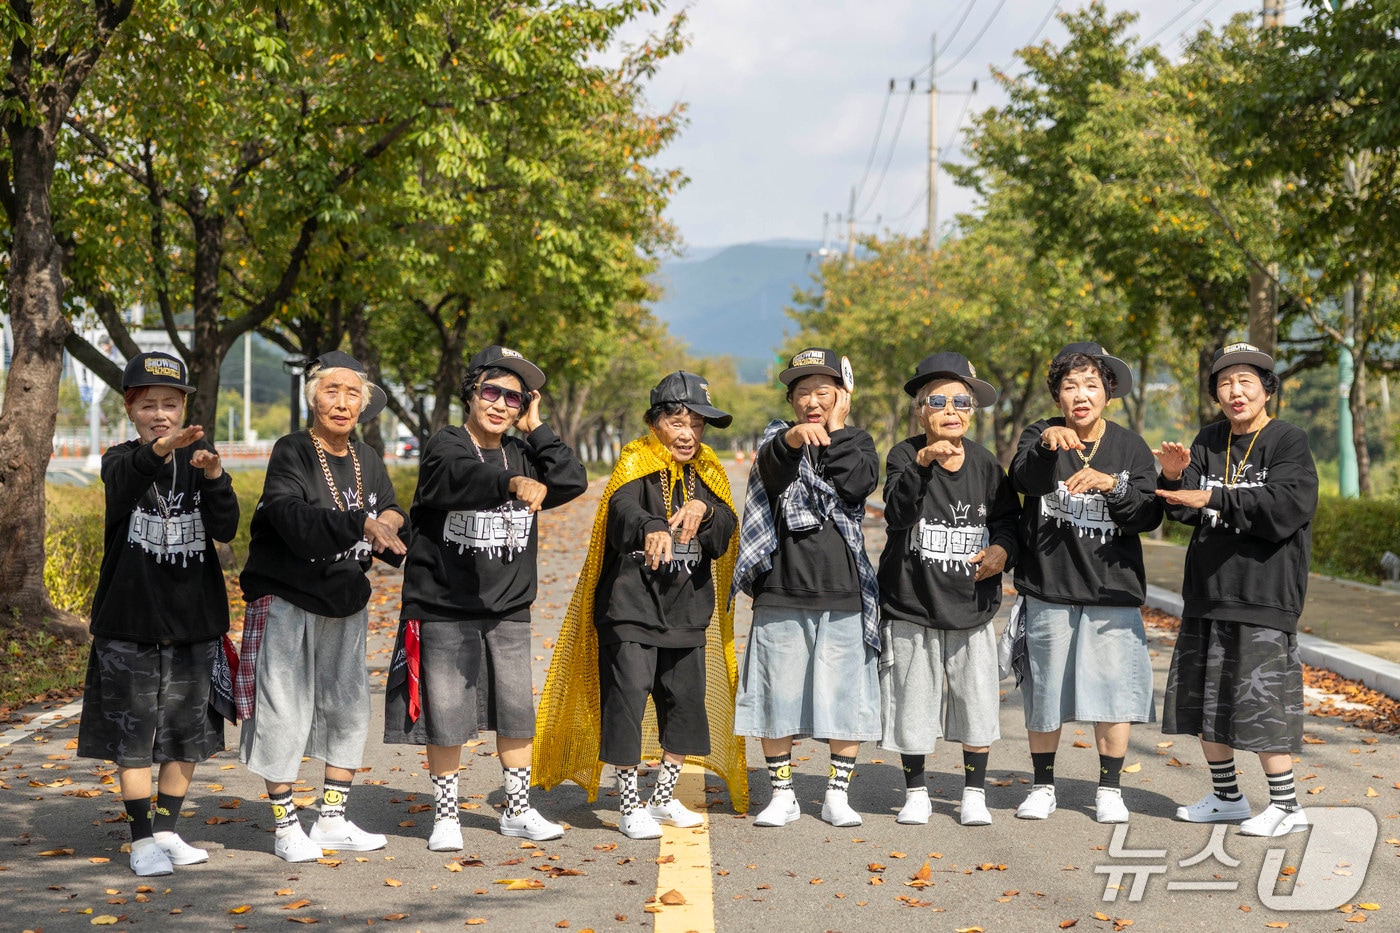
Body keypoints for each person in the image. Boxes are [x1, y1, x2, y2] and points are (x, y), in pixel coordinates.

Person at [385, 346, 587, 850]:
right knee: (448, 712)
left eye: (514, 399)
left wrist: (538, 429)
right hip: (444, 604)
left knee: (517, 710)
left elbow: (570, 479)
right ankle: (447, 816)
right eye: (491, 392)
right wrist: (511, 481)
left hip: (509, 606)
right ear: (472, 394)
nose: (500, 404)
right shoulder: (446, 444)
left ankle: (517, 810)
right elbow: (458, 477)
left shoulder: (524, 450)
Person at [533, 372, 747, 836]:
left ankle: (663, 798)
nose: (688, 433)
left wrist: (705, 511)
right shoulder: (633, 463)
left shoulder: (707, 473)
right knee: (626, 704)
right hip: (629, 611)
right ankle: (630, 805)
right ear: (655, 423)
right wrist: (651, 524)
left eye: (697, 423)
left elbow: (727, 527)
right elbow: (621, 510)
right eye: (677, 421)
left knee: (686, 706)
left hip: (687, 614)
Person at [237, 351, 409, 862]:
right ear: (314, 397)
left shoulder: (368, 458)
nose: (342, 402)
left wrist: (392, 522)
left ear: (363, 405)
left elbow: (391, 505)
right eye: (332, 391)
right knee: (283, 711)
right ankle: (286, 824)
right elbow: (288, 514)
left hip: (344, 600)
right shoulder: (291, 451)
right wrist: (361, 523)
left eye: (352, 393)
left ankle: (332, 817)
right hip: (288, 596)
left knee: (347, 710)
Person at [78, 352, 239, 877]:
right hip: (130, 625)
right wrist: (160, 450)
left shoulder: (201, 461)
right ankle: (141, 838)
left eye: (171, 404)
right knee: (135, 734)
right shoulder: (118, 460)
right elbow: (128, 477)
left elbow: (227, 527)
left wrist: (215, 476)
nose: (161, 414)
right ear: (131, 409)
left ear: (185, 406)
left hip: (195, 623)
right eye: (149, 405)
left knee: (187, 732)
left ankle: (168, 829)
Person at [1155, 343, 1318, 837]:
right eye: (1225, 383)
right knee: (1206, 702)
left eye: (1247, 380)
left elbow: (1287, 506)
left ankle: (1287, 805)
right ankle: (1227, 797)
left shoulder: (1288, 441)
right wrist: (1172, 475)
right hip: (1207, 591)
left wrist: (1213, 495)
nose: (1235, 391)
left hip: (1265, 594)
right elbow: (1184, 507)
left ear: (1267, 389)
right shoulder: (1209, 439)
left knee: (1262, 702)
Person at [1009, 342, 1162, 824]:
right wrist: (1045, 444)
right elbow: (1025, 481)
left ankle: (1110, 789)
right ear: (1057, 396)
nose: (1080, 394)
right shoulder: (1040, 434)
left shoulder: (1129, 445)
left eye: (1091, 385)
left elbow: (1148, 514)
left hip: (1111, 591)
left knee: (1113, 694)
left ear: (1107, 394)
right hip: (1048, 588)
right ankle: (1042, 786)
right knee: (1045, 691)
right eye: (1070, 386)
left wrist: (1110, 485)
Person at [732, 347, 881, 828]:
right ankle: (782, 793)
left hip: (844, 591)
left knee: (846, 697)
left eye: (824, 391)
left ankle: (837, 793)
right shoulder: (778, 441)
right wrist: (795, 439)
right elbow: (772, 474)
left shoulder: (858, 441)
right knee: (776, 695)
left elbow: (856, 484)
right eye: (802, 393)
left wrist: (835, 429)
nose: (812, 401)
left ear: (843, 394)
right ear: (791, 401)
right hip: (781, 590)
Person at [877, 352, 1020, 826]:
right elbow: (896, 514)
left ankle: (973, 794)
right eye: (938, 401)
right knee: (913, 705)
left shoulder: (986, 465)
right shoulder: (903, 454)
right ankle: (915, 791)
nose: (951, 409)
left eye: (962, 401)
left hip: (972, 605)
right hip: (912, 603)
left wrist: (1001, 551)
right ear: (921, 410)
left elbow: (1007, 523)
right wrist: (921, 464)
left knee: (976, 703)